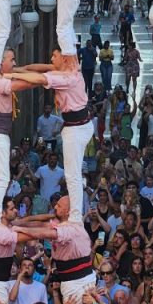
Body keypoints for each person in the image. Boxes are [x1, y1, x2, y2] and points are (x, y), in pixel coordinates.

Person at [8, 50, 93, 224]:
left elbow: (39, 79)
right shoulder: (64, 68)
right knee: (71, 173)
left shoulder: (67, 78)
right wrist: (20, 68)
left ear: (64, 58)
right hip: (64, 130)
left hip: (73, 130)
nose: (51, 58)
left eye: (54, 55)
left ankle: (75, 215)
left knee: (73, 175)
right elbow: (37, 69)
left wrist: (11, 73)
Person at [0, 49, 33, 224]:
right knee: (1, 178)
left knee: (1, 177)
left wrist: (47, 72)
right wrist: (47, 79)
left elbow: (25, 70)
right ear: (1, 63)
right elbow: (26, 84)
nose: (15, 63)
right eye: (12, 60)